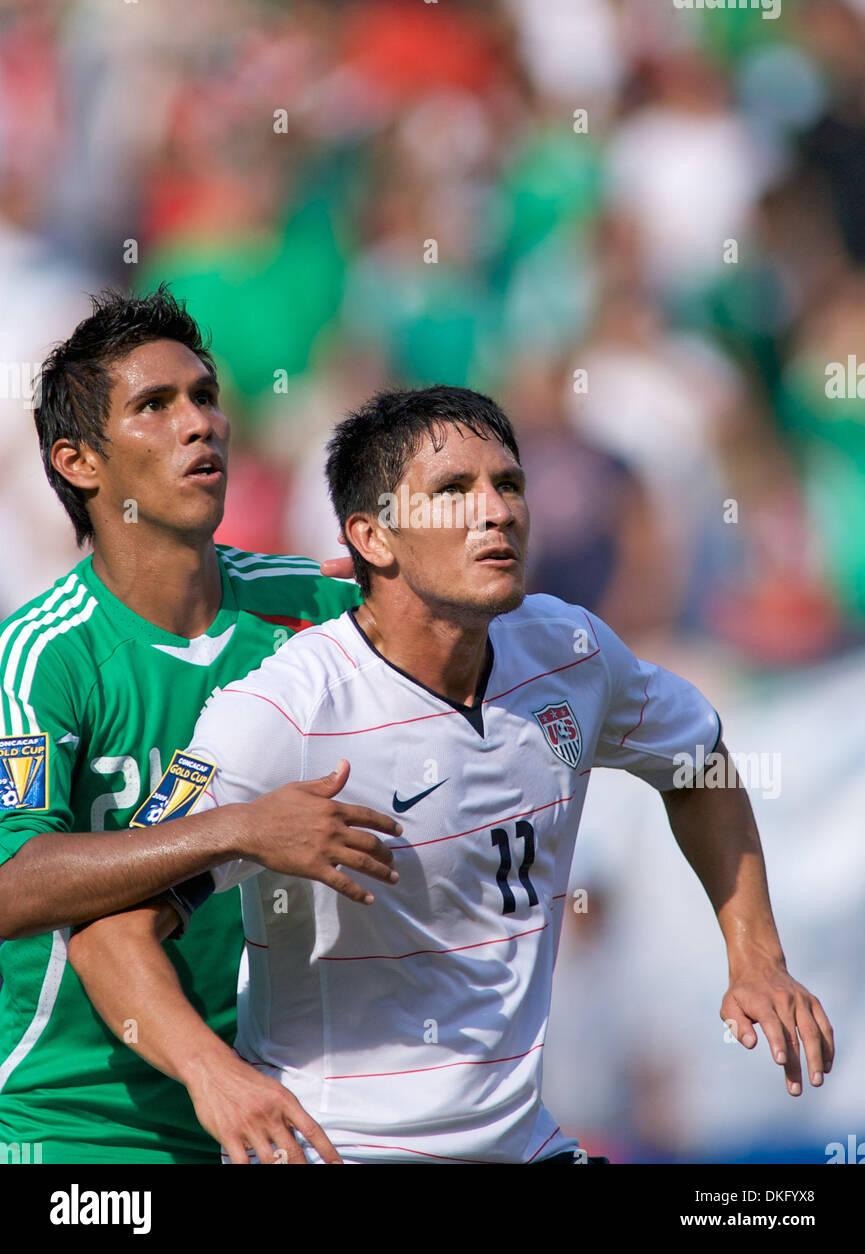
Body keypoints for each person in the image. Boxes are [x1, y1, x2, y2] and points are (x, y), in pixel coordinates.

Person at [70, 385, 834, 1164]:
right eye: (452, 492)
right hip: (342, 1150)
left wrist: (756, 958)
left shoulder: (570, 651)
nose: (496, 510)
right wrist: (214, 1076)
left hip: (523, 1144)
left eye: (507, 484)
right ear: (373, 537)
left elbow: (697, 763)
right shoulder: (283, 714)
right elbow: (110, 931)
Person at [0, 286, 400, 1165]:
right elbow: (11, 885)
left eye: (207, 397)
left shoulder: (315, 605)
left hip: (281, 1098)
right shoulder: (42, 657)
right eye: (156, 405)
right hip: (79, 1120)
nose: (201, 424)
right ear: (78, 462)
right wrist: (241, 830)